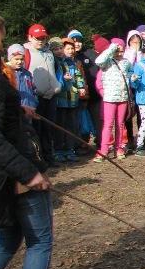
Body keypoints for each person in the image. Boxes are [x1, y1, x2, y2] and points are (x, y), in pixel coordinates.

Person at [0, 10, 62, 269]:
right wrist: (29, 174)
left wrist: (16, 109)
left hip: (3, 173)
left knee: (7, 241)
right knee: (40, 242)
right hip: (12, 173)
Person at [24, 24, 62, 166]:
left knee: (48, 128)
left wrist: (57, 87)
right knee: (36, 129)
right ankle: (38, 159)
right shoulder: (25, 52)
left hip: (51, 96)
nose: (41, 40)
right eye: (37, 38)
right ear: (30, 37)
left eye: (43, 38)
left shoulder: (49, 53)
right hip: (35, 98)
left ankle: (49, 157)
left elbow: (55, 72)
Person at [95, 38, 132, 161]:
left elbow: (130, 73)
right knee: (108, 124)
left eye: (121, 51)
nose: (119, 54)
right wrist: (111, 49)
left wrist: (133, 78)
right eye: (117, 51)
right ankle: (103, 150)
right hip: (110, 98)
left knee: (120, 124)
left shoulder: (126, 62)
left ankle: (119, 149)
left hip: (123, 98)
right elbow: (98, 61)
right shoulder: (107, 62)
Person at [54, 38, 87, 163]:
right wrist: (62, 78)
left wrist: (81, 86)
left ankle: (70, 150)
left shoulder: (72, 63)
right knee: (60, 127)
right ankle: (59, 150)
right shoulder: (56, 63)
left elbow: (78, 76)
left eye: (71, 48)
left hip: (73, 99)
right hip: (60, 100)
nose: (70, 51)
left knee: (72, 126)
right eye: (66, 48)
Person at [5, 45, 38, 115]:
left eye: (22, 59)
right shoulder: (6, 73)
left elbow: (34, 90)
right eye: (16, 59)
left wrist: (34, 102)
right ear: (10, 59)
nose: (19, 62)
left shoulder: (27, 74)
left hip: (29, 109)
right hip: (14, 110)